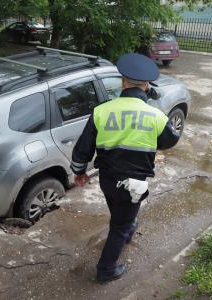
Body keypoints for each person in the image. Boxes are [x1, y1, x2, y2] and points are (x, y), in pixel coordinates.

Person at [70, 53, 180, 283]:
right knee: (118, 226)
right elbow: (170, 141)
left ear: (123, 83)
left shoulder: (102, 110)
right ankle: (106, 269)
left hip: (108, 180)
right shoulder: (156, 116)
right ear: (147, 86)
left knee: (120, 214)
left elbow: (83, 148)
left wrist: (79, 172)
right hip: (134, 185)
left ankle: (127, 228)